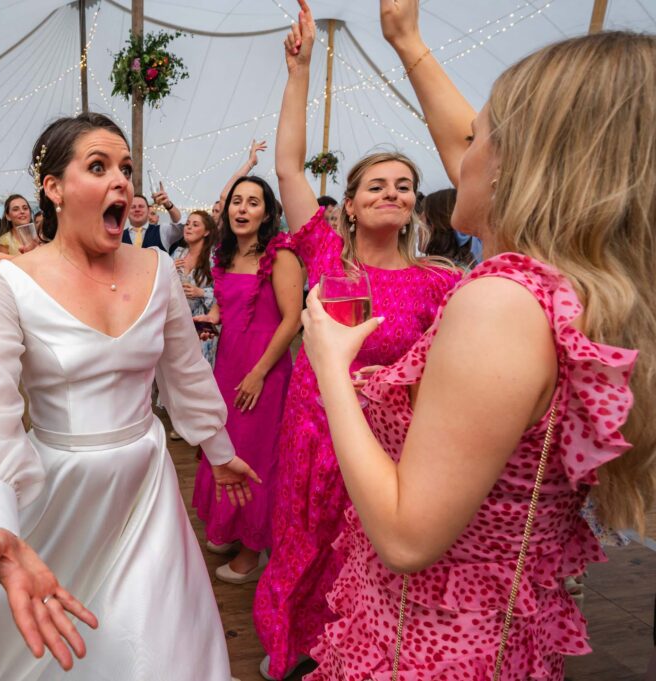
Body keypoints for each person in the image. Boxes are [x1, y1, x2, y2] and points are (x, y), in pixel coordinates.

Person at [301, 4, 656, 679]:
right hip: (488, 636)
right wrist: (407, 43)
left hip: (430, 646)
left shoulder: (500, 304)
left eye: (481, 135)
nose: (461, 153)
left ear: (520, 162)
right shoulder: (567, 291)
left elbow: (408, 536)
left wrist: (331, 368)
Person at [0, 112, 258, 681]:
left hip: (147, 484)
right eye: (99, 166)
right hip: (58, 488)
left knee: (157, 642)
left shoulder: (157, 270)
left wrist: (218, 448)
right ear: (53, 188)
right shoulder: (11, 284)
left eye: (126, 168)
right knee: (52, 643)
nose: (122, 181)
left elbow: (184, 372)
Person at [252, 5, 463, 679]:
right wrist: (300, 69)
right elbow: (287, 163)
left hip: (393, 445)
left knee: (367, 555)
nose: (392, 192)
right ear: (350, 203)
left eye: (404, 185)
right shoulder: (324, 252)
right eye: (377, 184)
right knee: (305, 548)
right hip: (315, 431)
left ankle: (358, 657)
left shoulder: (438, 282)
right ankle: (295, 651)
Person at [192, 176, 304, 586]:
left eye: (252, 202)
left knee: (257, 456)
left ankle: (252, 550)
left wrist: (259, 373)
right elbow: (226, 308)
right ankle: (230, 527)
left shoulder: (281, 255)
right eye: (236, 201)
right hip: (227, 366)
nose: (241, 209)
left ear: (267, 213)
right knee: (225, 446)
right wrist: (209, 321)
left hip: (265, 372)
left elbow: (292, 319)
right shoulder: (223, 255)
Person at [171, 211, 219, 367]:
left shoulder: (214, 258)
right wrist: (169, 269)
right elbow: (163, 285)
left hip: (201, 326)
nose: (189, 228)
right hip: (176, 322)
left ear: (206, 232)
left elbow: (224, 292)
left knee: (197, 372)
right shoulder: (178, 253)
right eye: (187, 224)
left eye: (195, 225)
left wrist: (201, 292)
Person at [420, 188, 478, 269]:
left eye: (421, 220)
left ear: (433, 226)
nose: (417, 229)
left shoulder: (439, 274)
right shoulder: (467, 268)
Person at [121, 182, 183, 251]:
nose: (137, 209)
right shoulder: (119, 237)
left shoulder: (161, 231)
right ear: (126, 212)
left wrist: (168, 205)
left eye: (141, 206)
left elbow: (180, 227)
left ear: (148, 211)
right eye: (133, 207)